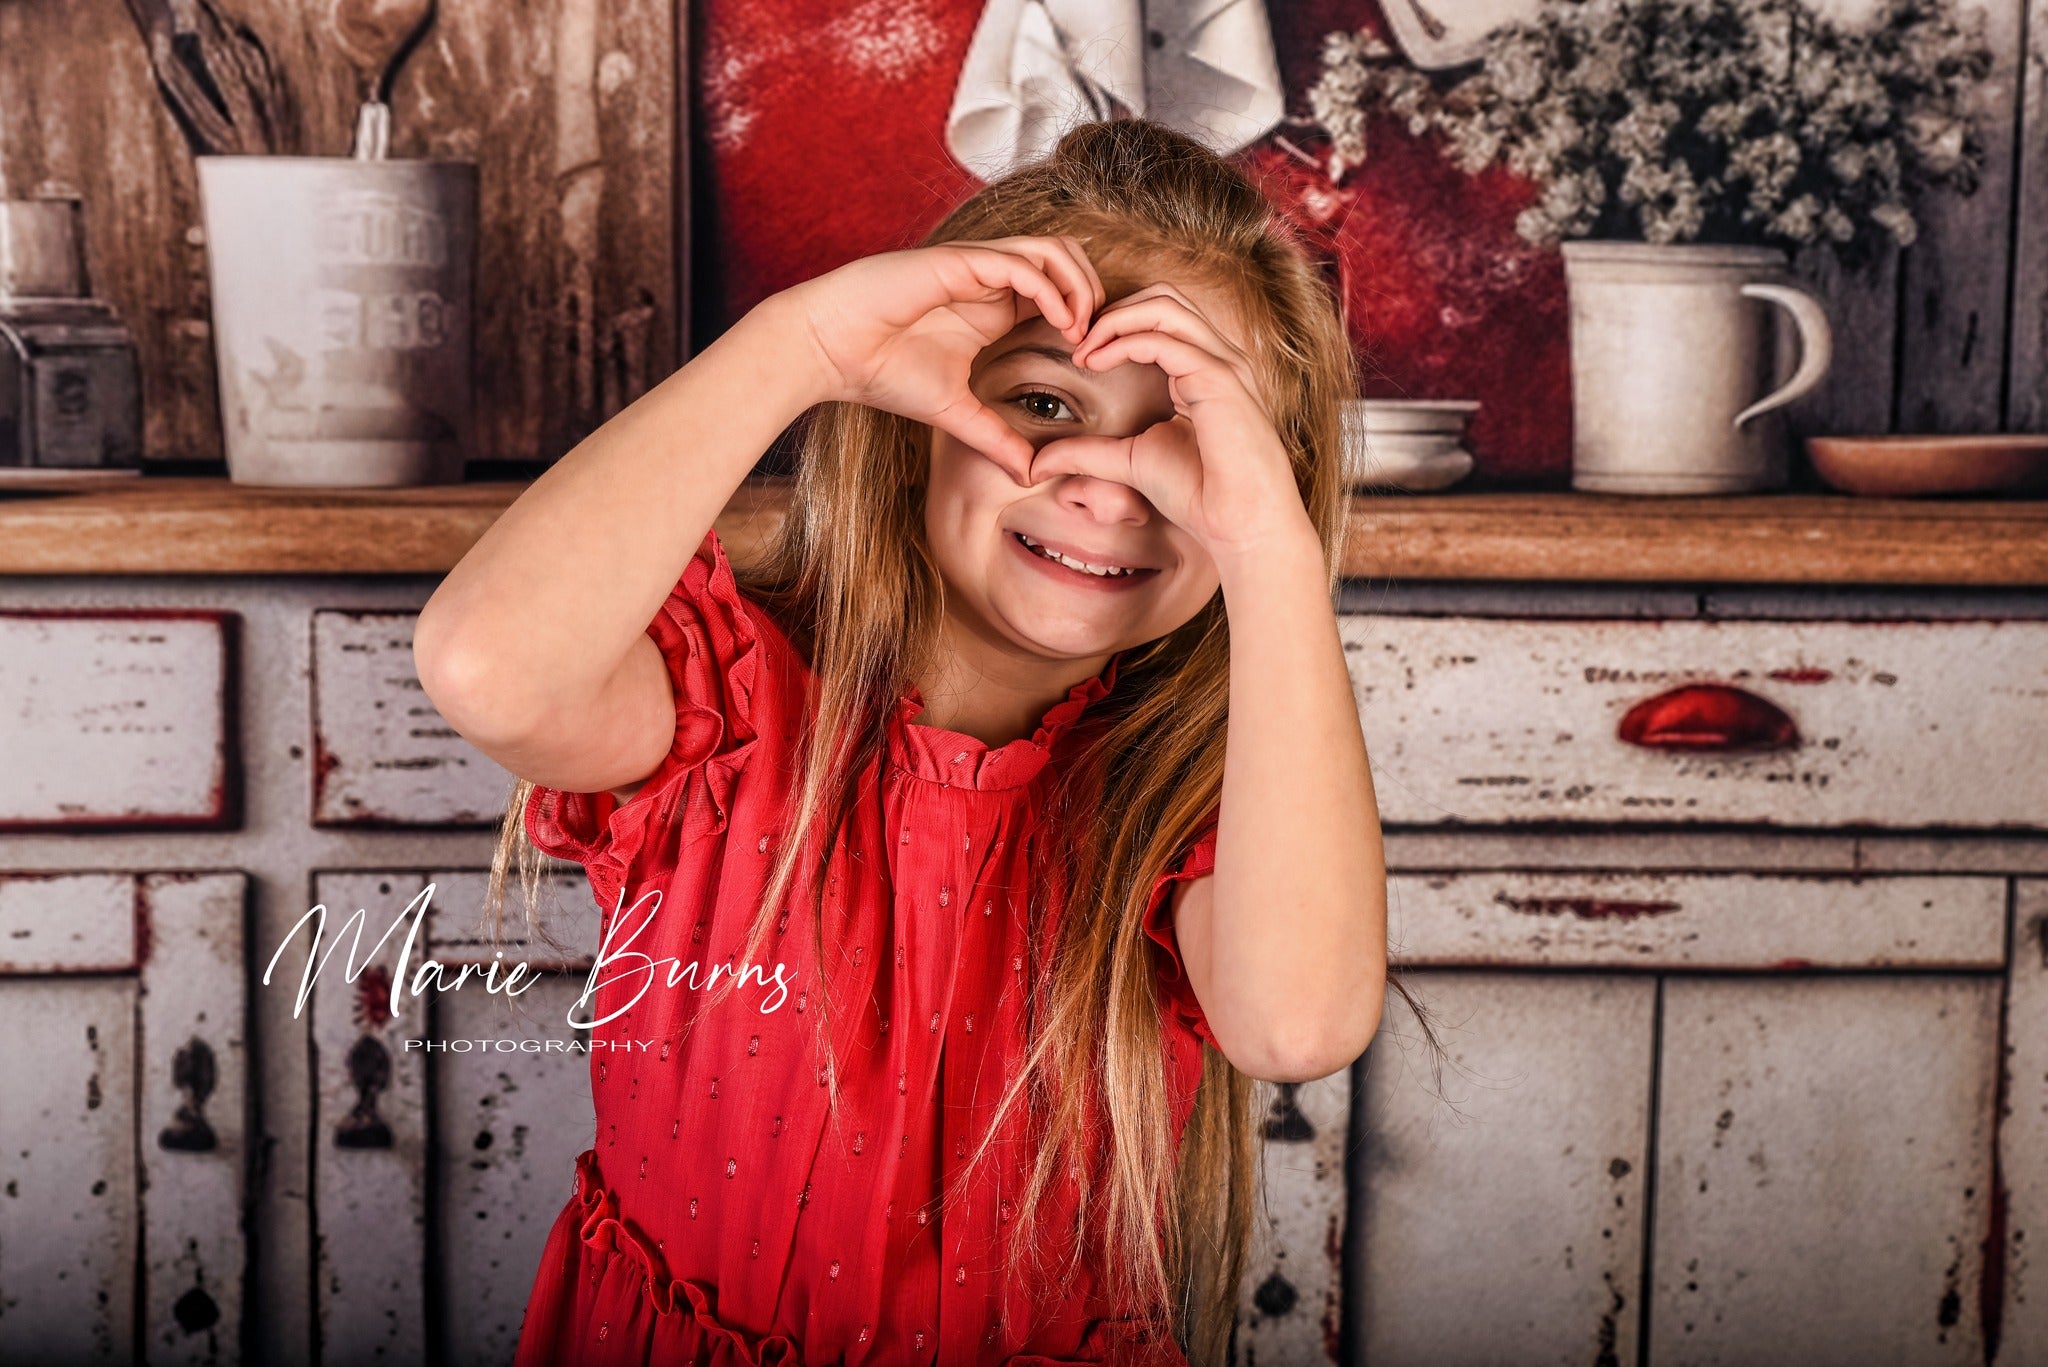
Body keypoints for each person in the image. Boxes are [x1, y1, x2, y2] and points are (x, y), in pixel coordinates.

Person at [417, 116, 1410, 1367]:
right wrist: (802, 344)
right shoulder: (729, 708)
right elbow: (484, 666)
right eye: (1045, 402)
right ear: (922, 419)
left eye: (1188, 444)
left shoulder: (1196, 795)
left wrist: (1270, 545)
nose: (1106, 482)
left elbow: (1297, 1024)